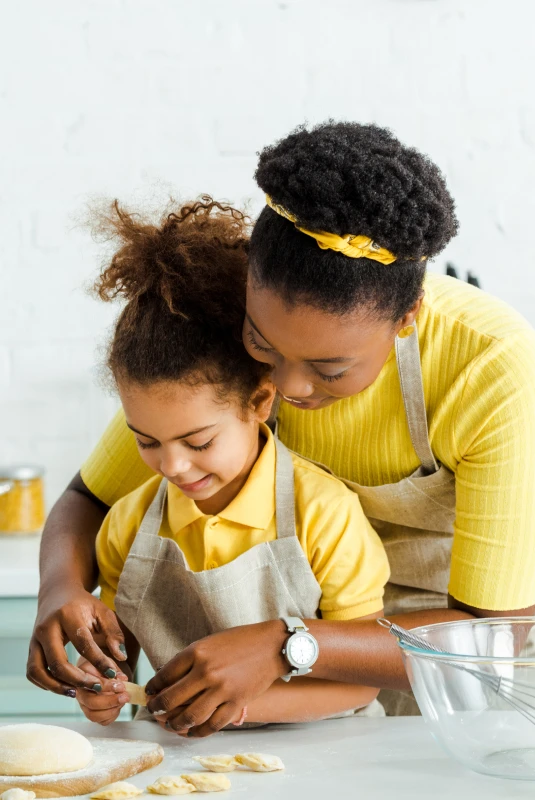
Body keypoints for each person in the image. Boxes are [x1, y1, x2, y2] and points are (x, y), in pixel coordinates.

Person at [29, 121, 535, 733]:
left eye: (330, 369)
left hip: (488, 621)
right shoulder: (230, 314)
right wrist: (61, 592)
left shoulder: (490, 362)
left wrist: (286, 645)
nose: (289, 388)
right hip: (339, 602)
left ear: (408, 317)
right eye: (262, 346)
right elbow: (88, 499)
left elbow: (483, 640)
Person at [73, 198, 388, 731]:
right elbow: (119, 660)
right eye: (146, 441)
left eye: (197, 442)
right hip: (189, 755)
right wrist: (102, 688)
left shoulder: (325, 515)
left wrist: (237, 709)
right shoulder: (127, 527)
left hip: (335, 750)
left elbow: (360, 679)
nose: (171, 465)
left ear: (259, 403)